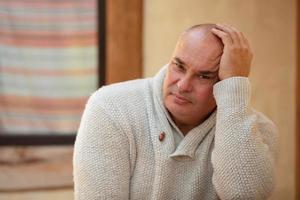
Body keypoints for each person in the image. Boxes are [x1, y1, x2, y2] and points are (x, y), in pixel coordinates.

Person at [73, 23, 278, 199]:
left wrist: (235, 88)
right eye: (179, 66)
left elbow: (243, 195)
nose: (183, 85)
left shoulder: (260, 131)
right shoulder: (110, 107)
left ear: (224, 81)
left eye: (204, 76)